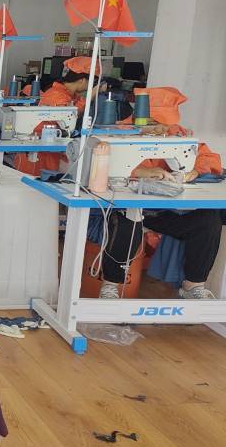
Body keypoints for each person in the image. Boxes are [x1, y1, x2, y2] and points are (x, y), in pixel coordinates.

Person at [98, 87, 224, 300]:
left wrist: (193, 171)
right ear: (142, 118)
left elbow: (208, 157)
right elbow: (103, 164)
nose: (163, 130)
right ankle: (110, 285)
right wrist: (141, 172)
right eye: (157, 124)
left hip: (165, 209)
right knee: (128, 218)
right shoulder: (117, 133)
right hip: (129, 205)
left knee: (208, 220)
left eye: (166, 125)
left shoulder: (176, 133)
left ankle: (193, 286)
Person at [13, 56, 104, 175]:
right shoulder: (57, 96)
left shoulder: (69, 95)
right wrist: (91, 95)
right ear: (82, 80)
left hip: (49, 151)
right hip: (37, 156)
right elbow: (71, 115)